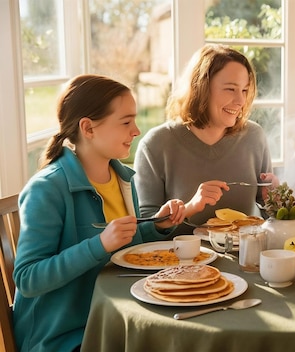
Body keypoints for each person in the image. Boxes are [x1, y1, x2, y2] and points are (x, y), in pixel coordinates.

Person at [13, 74, 186, 352]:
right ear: (88, 128)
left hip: (118, 318)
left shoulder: (123, 178)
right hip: (66, 337)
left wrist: (156, 226)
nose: (136, 130)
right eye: (126, 122)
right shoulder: (47, 189)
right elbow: (28, 278)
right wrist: (99, 245)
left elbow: (123, 247)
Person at [134, 44, 277, 234]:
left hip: (244, 259)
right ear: (201, 88)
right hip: (177, 260)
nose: (241, 101)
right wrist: (189, 207)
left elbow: (270, 218)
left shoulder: (254, 137)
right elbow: (144, 229)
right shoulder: (156, 145)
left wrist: (274, 201)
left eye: (244, 90)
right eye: (230, 89)